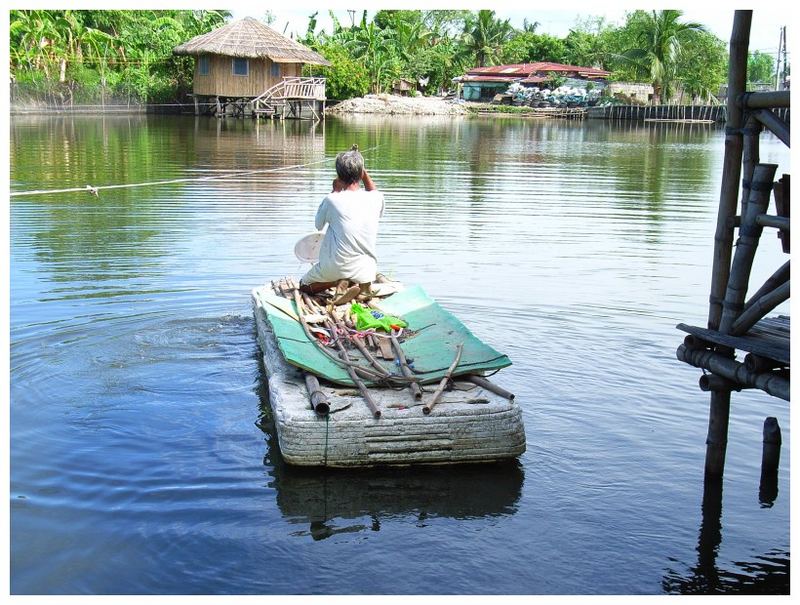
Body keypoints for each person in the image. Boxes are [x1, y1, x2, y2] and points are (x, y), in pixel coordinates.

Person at [299, 148, 384, 305]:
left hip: (334, 268)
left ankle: (340, 281)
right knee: (361, 271)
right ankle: (359, 286)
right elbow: (373, 190)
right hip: (367, 271)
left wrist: (334, 191)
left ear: (339, 175)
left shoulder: (332, 200)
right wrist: (363, 172)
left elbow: (318, 225)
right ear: (361, 174)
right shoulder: (376, 198)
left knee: (304, 285)